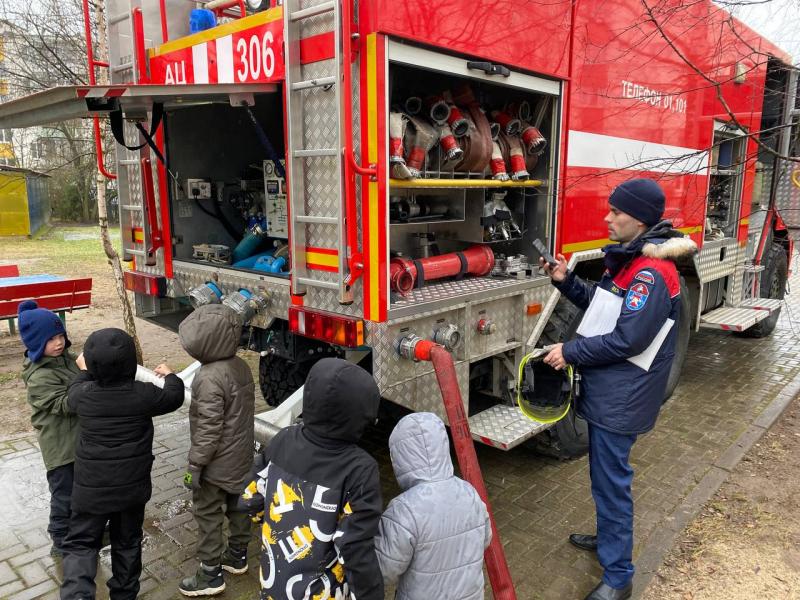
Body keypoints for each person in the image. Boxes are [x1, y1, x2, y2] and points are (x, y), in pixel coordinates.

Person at [540, 178, 696, 600]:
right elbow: (604, 305)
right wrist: (564, 279)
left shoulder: (651, 274)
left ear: (640, 219)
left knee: (611, 482)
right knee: (604, 478)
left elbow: (629, 339)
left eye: (616, 212)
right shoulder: (631, 262)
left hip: (623, 397)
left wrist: (570, 351)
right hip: (613, 390)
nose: (607, 217)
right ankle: (610, 539)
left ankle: (619, 576)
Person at [240, 357, 384, 600]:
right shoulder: (360, 469)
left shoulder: (283, 439)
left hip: (274, 587)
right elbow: (355, 549)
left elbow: (249, 498)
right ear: (361, 416)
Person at [59, 328, 185, 600]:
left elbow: (73, 388)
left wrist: (83, 371)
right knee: (127, 543)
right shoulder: (144, 394)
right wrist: (171, 374)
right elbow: (175, 396)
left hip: (90, 491)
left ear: (92, 367)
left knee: (81, 543)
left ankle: (77, 595)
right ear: (131, 363)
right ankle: (124, 595)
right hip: (131, 491)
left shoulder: (82, 395)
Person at [177, 304, 256, 597]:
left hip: (216, 465)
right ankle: (237, 555)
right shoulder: (241, 366)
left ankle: (210, 574)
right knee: (239, 506)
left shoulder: (208, 377)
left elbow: (208, 430)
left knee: (208, 512)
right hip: (241, 457)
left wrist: (195, 466)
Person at [375, 412, 491, 600]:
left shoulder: (403, 510)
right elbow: (485, 538)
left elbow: (384, 569)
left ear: (400, 456)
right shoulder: (469, 492)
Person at [18, 300, 80, 557]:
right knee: (63, 495)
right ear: (34, 343)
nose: (58, 343)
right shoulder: (39, 377)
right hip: (60, 450)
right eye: (51, 339)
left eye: (60, 336)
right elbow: (65, 404)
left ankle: (81, 530)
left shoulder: (66, 360)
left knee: (81, 490)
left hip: (76, 444)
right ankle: (60, 540)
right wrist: (88, 380)